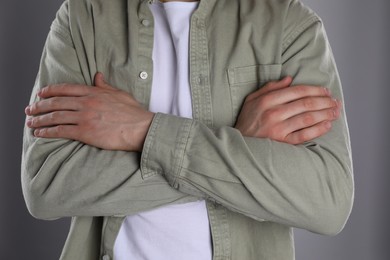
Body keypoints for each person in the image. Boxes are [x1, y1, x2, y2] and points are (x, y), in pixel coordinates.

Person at [22, 0, 354, 259]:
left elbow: (326, 201)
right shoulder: (83, 18)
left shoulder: (288, 25)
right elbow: (47, 185)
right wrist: (238, 145)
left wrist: (141, 129)